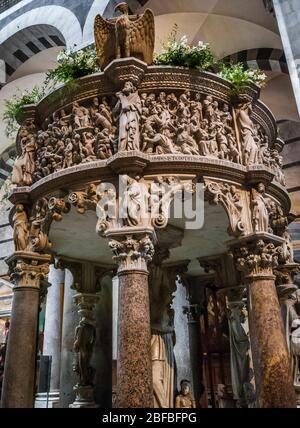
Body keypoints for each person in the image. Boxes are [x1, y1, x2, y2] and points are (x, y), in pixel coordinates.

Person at [113, 81, 142, 151]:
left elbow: (139, 109)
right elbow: (115, 110)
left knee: (132, 130)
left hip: (132, 115)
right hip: (123, 115)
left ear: (131, 88)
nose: (125, 86)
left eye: (127, 85)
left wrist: (131, 106)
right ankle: (122, 148)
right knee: (123, 131)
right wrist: (120, 98)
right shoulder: (122, 97)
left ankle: (132, 147)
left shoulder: (135, 97)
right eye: (125, 85)